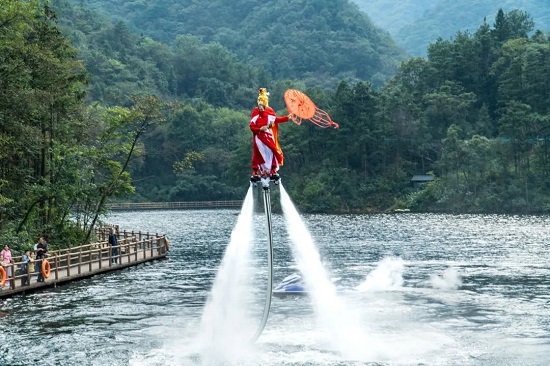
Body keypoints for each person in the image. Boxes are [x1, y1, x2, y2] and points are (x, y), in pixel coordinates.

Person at [249, 88, 293, 187]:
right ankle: (257, 171)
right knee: (258, 153)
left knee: (272, 151)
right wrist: (260, 129)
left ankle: (272, 170)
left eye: (262, 103)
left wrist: (288, 117)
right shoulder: (255, 114)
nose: (260, 106)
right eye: (259, 103)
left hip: (268, 136)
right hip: (259, 137)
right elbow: (252, 126)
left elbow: (276, 120)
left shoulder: (269, 114)